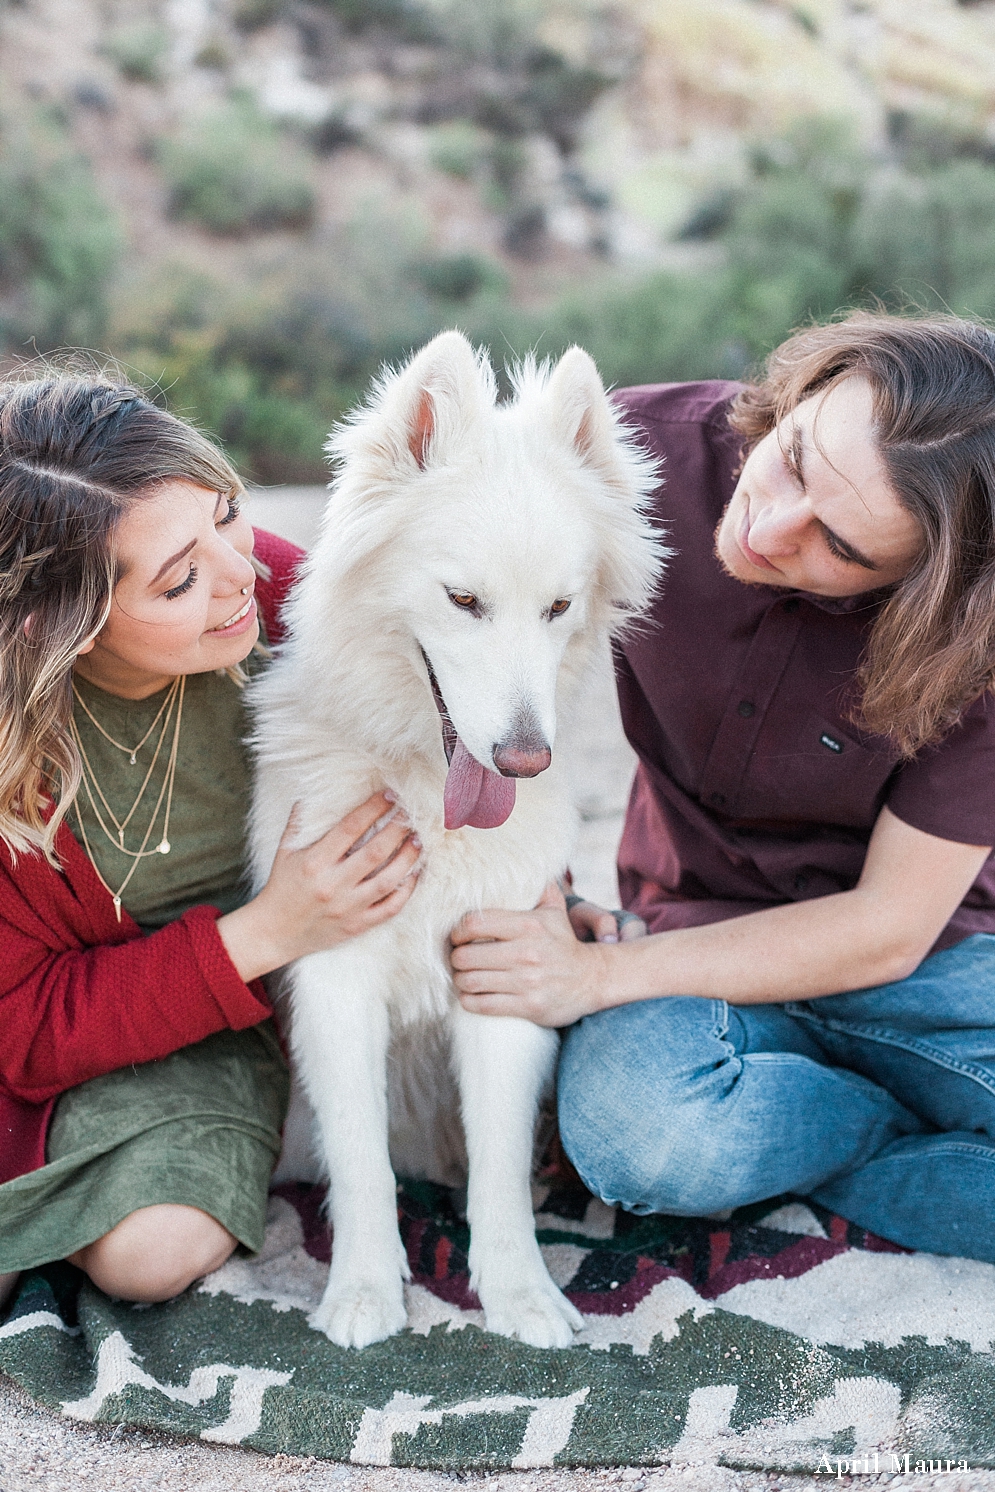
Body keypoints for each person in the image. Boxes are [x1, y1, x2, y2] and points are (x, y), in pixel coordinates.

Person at [450, 311, 995, 1262]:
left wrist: (593, 980)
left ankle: (808, 1127)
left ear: (929, 589)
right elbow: (458, 623)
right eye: (792, 462)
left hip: (933, 966)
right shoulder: (623, 461)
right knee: (644, 1144)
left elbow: (888, 928)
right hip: (686, 936)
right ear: (806, 392)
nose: (768, 526)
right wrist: (548, 899)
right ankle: (878, 1127)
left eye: (842, 547)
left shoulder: (977, 638)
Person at [0, 370, 421, 1312]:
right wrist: (271, 930)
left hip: (206, 1027)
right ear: (52, 626)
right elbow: (25, 1028)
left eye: (227, 513)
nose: (244, 571)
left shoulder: (280, 606)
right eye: (180, 579)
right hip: (72, 1012)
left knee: (150, 1251)